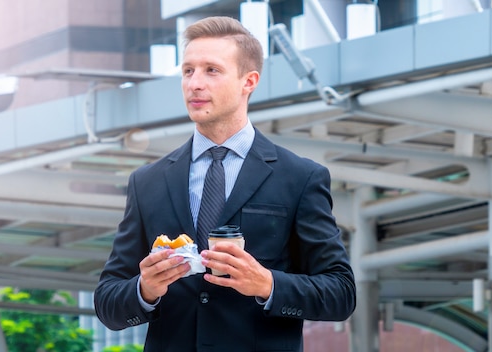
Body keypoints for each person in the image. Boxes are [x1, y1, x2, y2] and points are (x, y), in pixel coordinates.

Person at [94, 16, 356, 352]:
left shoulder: (300, 177)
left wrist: (266, 284)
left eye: (211, 70)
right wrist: (144, 289)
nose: (194, 84)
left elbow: (341, 292)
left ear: (249, 81)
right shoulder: (148, 181)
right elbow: (107, 301)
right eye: (188, 71)